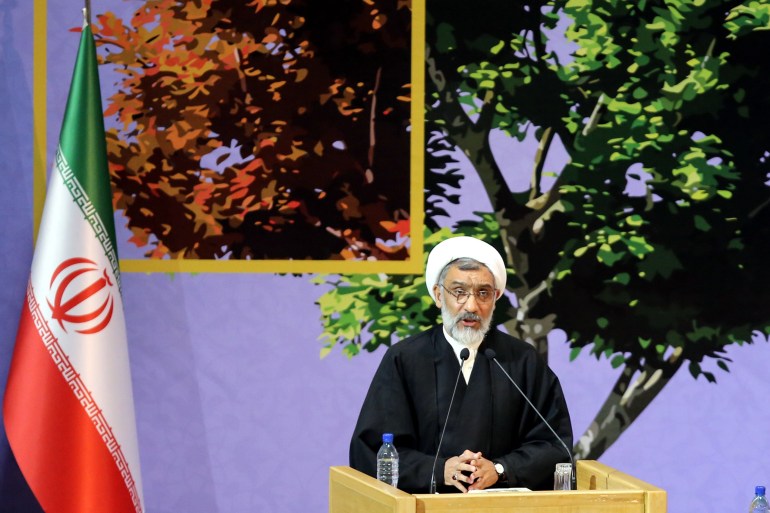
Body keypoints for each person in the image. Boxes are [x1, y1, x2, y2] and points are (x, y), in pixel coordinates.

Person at [349, 235, 573, 493]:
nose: (471, 305)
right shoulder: (405, 359)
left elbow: (555, 445)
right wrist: (439, 470)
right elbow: (373, 449)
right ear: (437, 295)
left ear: (496, 297)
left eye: (483, 293)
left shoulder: (522, 360)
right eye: (459, 292)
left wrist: (500, 470)